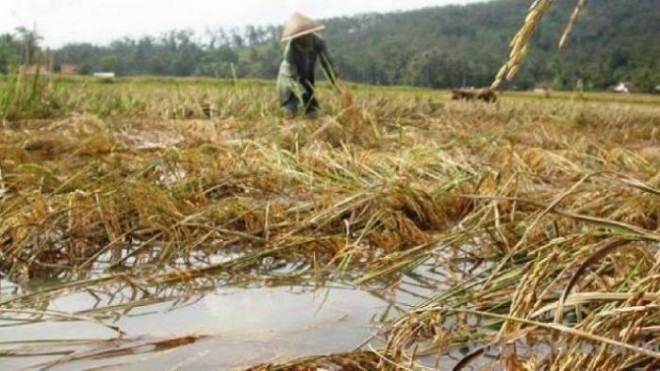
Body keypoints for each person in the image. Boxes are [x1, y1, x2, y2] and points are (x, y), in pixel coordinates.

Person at [277, 12, 338, 117]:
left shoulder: (318, 41)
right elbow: (292, 78)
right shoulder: (290, 50)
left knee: (312, 111)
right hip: (289, 82)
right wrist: (302, 93)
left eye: (304, 35)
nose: (302, 38)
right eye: (299, 36)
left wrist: (335, 81)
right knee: (291, 112)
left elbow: (327, 63)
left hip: (306, 77)